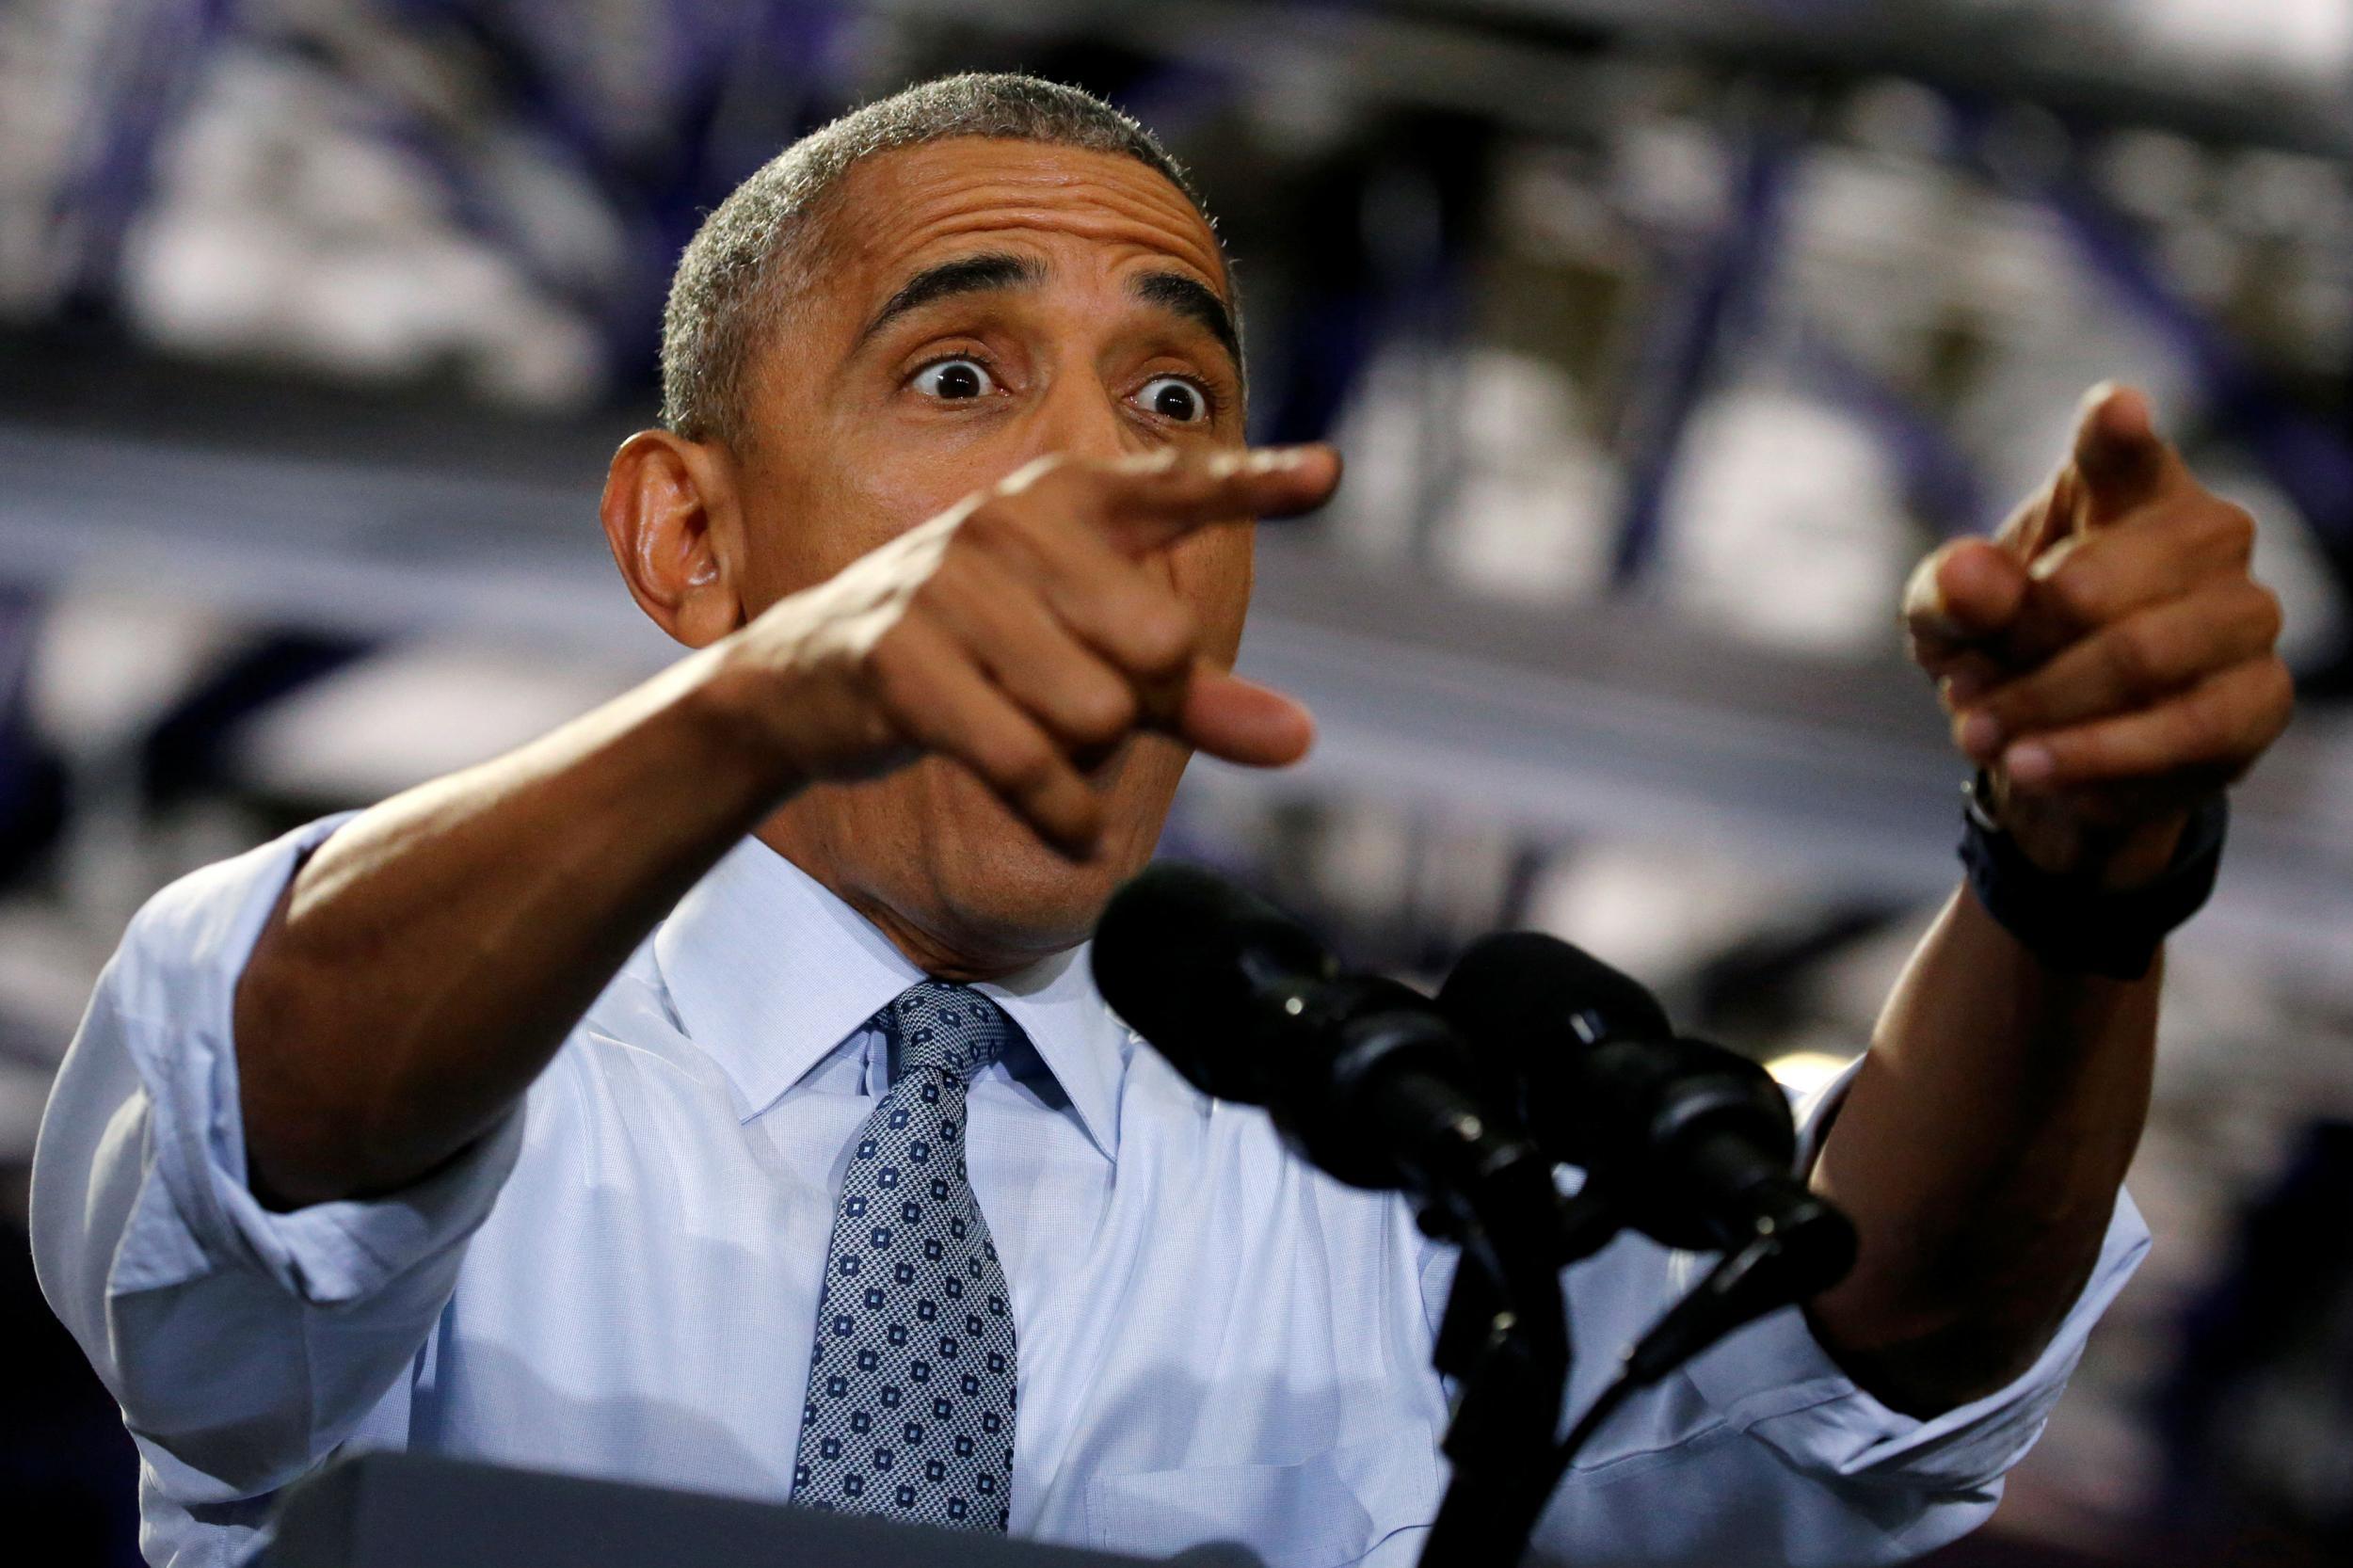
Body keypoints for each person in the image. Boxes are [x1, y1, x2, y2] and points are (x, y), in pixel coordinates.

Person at [30, 74, 2292, 1568]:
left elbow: (1875, 1351)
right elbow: (270, 1134)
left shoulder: (1399, 1193)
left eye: (1177, 395)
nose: (1099, 474)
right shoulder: (443, 1061)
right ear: (684, 542)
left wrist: (2073, 873)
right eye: (955, 376)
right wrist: (751, 720)